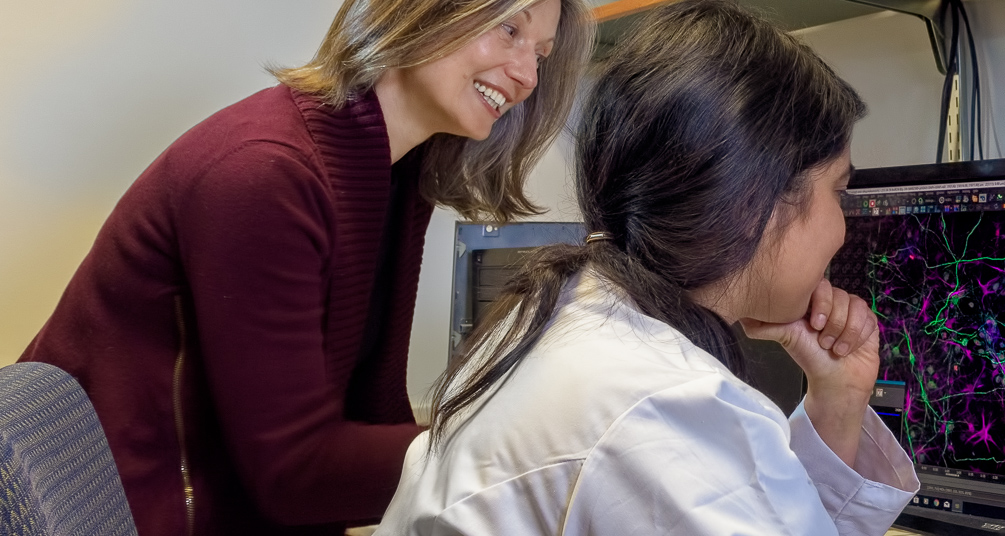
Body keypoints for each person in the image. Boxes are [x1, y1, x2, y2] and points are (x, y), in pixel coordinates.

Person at [17, 0, 592, 534]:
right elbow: (293, 475)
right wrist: (521, 449)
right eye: (510, 29)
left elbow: (372, 406)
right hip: (145, 511)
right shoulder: (264, 172)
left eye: (540, 55)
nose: (526, 77)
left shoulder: (395, 172)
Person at [373, 1, 920, 534]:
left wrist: (839, 399)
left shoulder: (556, 313)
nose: (842, 229)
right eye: (838, 191)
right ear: (755, 201)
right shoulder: (668, 412)